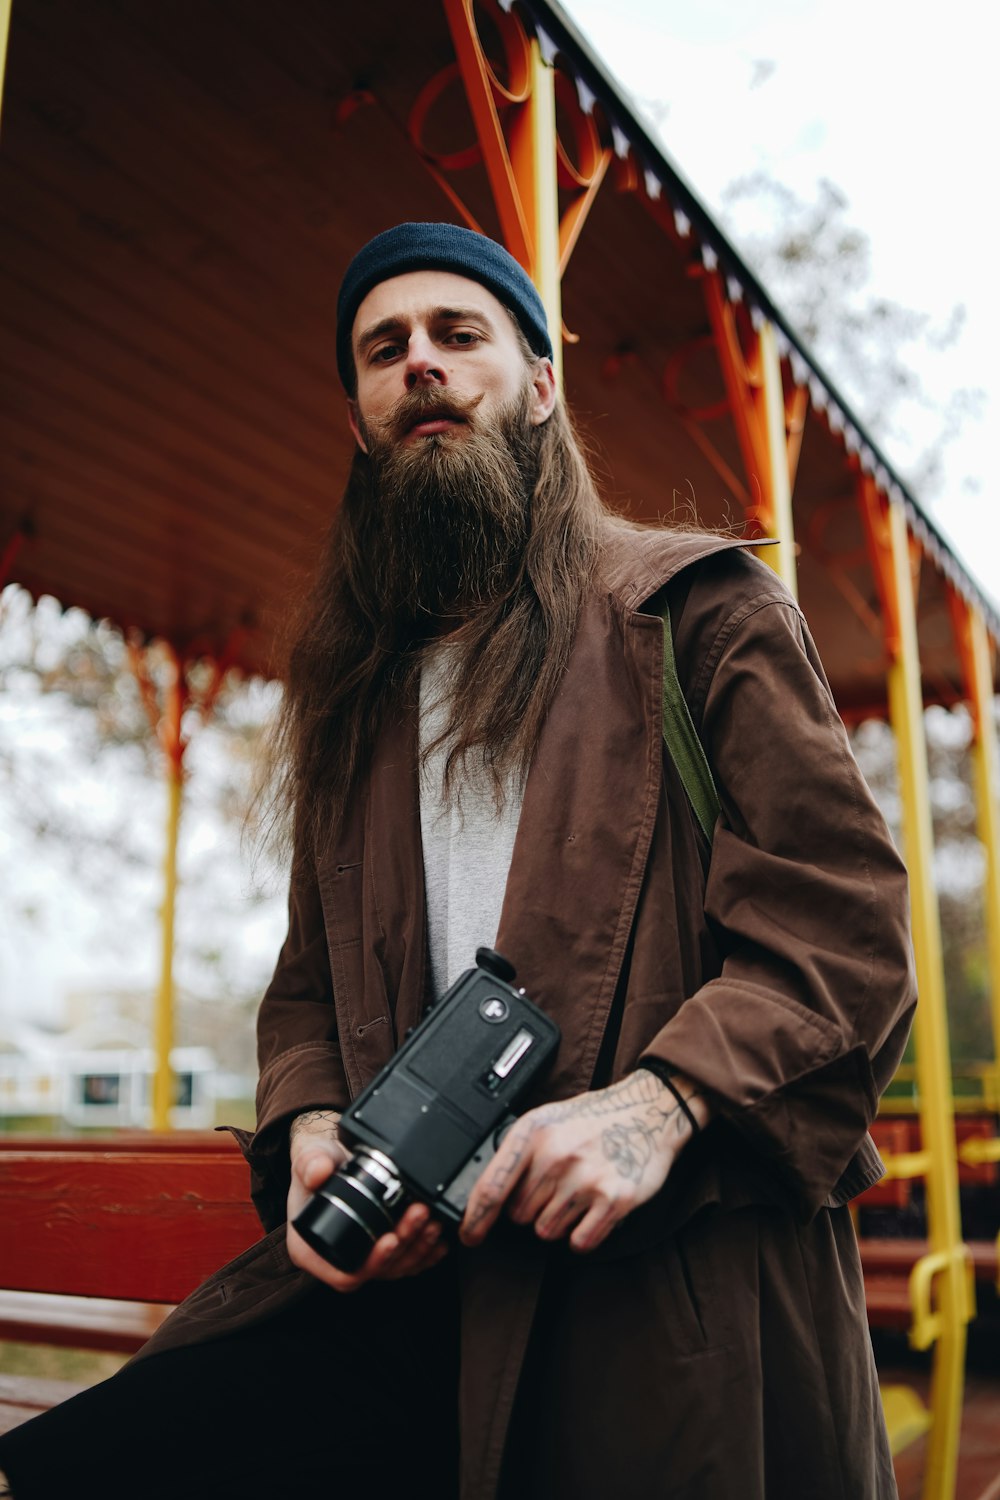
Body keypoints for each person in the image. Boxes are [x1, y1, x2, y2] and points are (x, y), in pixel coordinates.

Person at [0, 222, 915, 1500]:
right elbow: (308, 988)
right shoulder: (355, 696)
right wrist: (313, 1121)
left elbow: (848, 936)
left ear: (539, 385)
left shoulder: (701, 613)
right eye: (385, 349)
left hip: (660, 1299)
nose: (420, 362)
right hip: (410, 1282)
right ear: (364, 418)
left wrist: (656, 1106)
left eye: (457, 333)